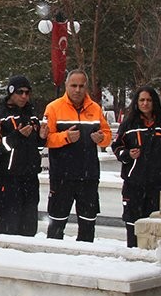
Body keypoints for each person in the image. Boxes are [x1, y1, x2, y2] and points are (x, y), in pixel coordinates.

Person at [43, 69, 113, 242]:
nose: (77, 90)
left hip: (88, 176)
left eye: (81, 86)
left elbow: (108, 136)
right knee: (56, 225)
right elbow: (45, 139)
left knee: (88, 224)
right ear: (66, 85)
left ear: (86, 87)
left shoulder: (95, 108)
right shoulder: (53, 108)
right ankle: (54, 259)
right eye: (73, 85)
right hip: (61, 177)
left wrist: (102, 138)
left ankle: (85, 261)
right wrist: (65, 137)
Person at [112, 86, 161, 247]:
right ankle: (133, 252)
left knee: (153, 222)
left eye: (148, 100)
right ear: (136, 102)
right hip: (134, 182)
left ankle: (154, 254)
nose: (145, 103)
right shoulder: (129, 124)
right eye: (142, 100)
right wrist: (127, 155)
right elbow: (117, 147)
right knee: (133, 222)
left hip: (156, 182)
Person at [0, 76, 46, 237]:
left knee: (29, 227)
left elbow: (37, 146)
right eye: (20, 92)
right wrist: (17, 136)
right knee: (9, 226)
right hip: (8, 179)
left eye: (27, 93)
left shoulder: (32, 115)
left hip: (30, 177)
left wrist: (42, 137)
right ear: (11, 92)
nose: (24, 96)